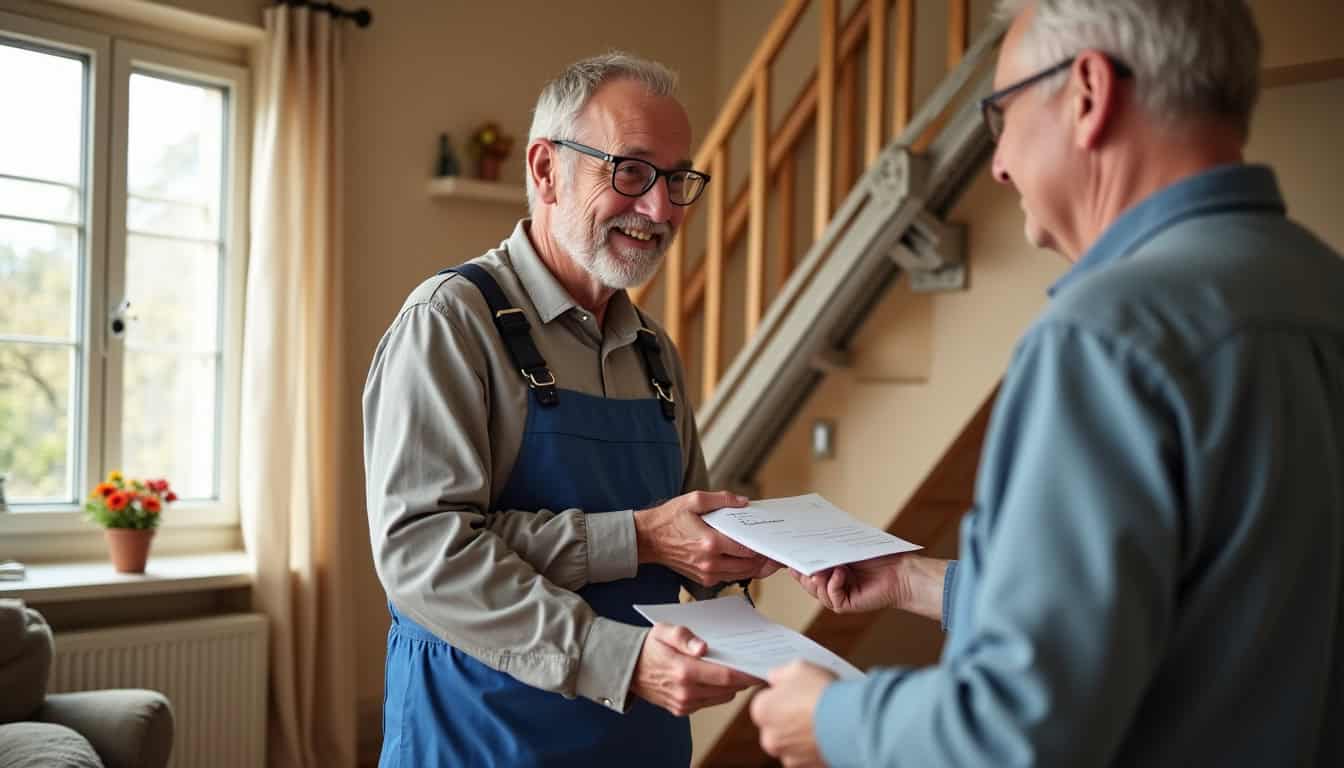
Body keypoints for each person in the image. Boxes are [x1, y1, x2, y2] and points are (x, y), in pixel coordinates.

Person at [750, 0, 1344, 765]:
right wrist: (910, 581)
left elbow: (1017, 730)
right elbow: (1215, 603)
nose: (996, 164)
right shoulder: (1320, 287)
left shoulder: (1107, 335)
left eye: (1001, 114)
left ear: (1088, 93)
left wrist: (831, 718)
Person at [364, 53, 776, 767]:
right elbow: (422, 552)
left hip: (637, 742)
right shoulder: (451, 323)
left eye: (678, 180)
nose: (661, 209)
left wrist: (747, 559)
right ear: (546, 170)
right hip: (479, 739)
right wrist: (620, 639)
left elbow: (684, 537)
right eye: (631, 171)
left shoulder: (653, 350)